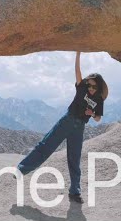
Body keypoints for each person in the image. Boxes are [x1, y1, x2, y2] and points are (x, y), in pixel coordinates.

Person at [16, 51, 109, 204]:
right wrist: (78, 54)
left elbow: (98, 118)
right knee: (46, 146)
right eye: (89, 84)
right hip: (67, 120)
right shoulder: (82, 88)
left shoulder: (99, 99)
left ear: (98, 86)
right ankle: (21, 169)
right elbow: (78, 72)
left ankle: (75, 192)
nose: (90, 87)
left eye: (94, 85)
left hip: (79, 128)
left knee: (74, 159)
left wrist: (92, 113)